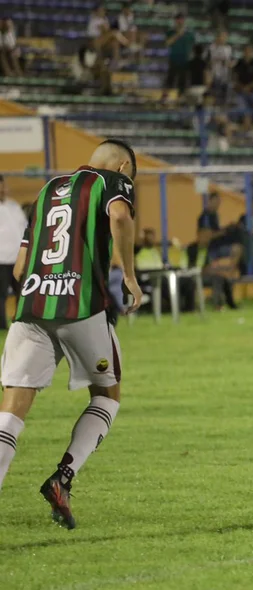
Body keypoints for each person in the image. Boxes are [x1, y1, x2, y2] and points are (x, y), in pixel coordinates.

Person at [0, 139, 143, 529]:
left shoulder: (48, 189)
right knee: (108, 395)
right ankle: (63, 476)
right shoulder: (113, 180)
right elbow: (119, 219)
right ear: (123, 165)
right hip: (82, 306)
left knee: (10, 412)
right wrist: (128, 276)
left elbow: (20, 267)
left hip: (32, 308)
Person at [0, 174, 28, 329]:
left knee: (23, 293)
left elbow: (24, 228)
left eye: (4, 185)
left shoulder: (14, 206)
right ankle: (1, 326)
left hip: (19, 258)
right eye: (1, 185)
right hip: (2, 259)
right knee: (1, 295)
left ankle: (23, 324)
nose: (4, 188)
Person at [232, 45, 253, 136]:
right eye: (246, 51)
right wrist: (242, 87)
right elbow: (235, 78)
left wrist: (249, 87)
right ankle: (247, 130)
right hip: (241, 92)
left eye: (250, 51)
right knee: (245, 111)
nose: (248, 53)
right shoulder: (239, 63)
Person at [162, 13, 194, 103]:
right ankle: (165, 97)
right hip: (174, 59)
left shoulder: (189, 33)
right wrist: (177, 35)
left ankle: (181, 98)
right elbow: (167, 43)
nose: (180, 22)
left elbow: (192, 46)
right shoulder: (170, 32)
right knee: (170, 79)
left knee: (182, 80)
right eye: (178, 19)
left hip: (185, 60)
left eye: (182, 19)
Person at [206, 29, 233, 104]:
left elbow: (231, 62)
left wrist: (229, 64)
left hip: (225, 76)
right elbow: (207, 63)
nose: (223, 38)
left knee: (225, 98)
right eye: (222, 36)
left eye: (225, 37)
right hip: (214, 76)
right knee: (215, 97)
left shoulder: (228, 48)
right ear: (217, 37)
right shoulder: (211, 48)